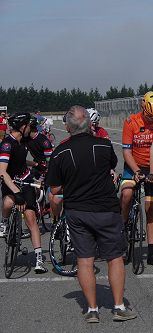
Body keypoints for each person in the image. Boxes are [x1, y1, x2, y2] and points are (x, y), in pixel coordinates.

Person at [46, 105, 136, 323]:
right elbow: (111, 167)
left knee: (84, 260)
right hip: (106, 209)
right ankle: (118, 306)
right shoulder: (104, 145)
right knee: (115, 258)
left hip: (78, 211)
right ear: (89, 124)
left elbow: (55, 191)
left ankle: (92, 309)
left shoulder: (60, 153)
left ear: (67, 127)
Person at [121, 91, 153, 266]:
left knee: (152, 208)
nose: (151, 120)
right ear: (142, 107)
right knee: (126, 195)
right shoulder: (130, 121)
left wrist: (152, 172)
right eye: (148, 115)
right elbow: (126, 151)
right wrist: (136, 170)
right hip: (132, 164)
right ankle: (123, 228)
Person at [0, 112, 48, 273]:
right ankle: (4, 223)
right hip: (10, 181)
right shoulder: (7, 144)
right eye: (29, 125)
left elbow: (20, 160)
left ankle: (39, 259)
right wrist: (15, 192)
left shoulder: (24, 141)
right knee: (8, 203)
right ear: (23, 127)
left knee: (31, 217)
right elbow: (2, 172)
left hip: (24, 179)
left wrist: (35, 164)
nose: (31, 128)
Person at [24, 116, 61, 224]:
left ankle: (55, 220)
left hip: (49, 167)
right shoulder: (26, 139)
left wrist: (45, 173)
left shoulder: (43, 141)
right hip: (37, 165)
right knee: (29, 184)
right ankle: (36, 206)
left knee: (51, 193)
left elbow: (50, 161)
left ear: (30, 128)